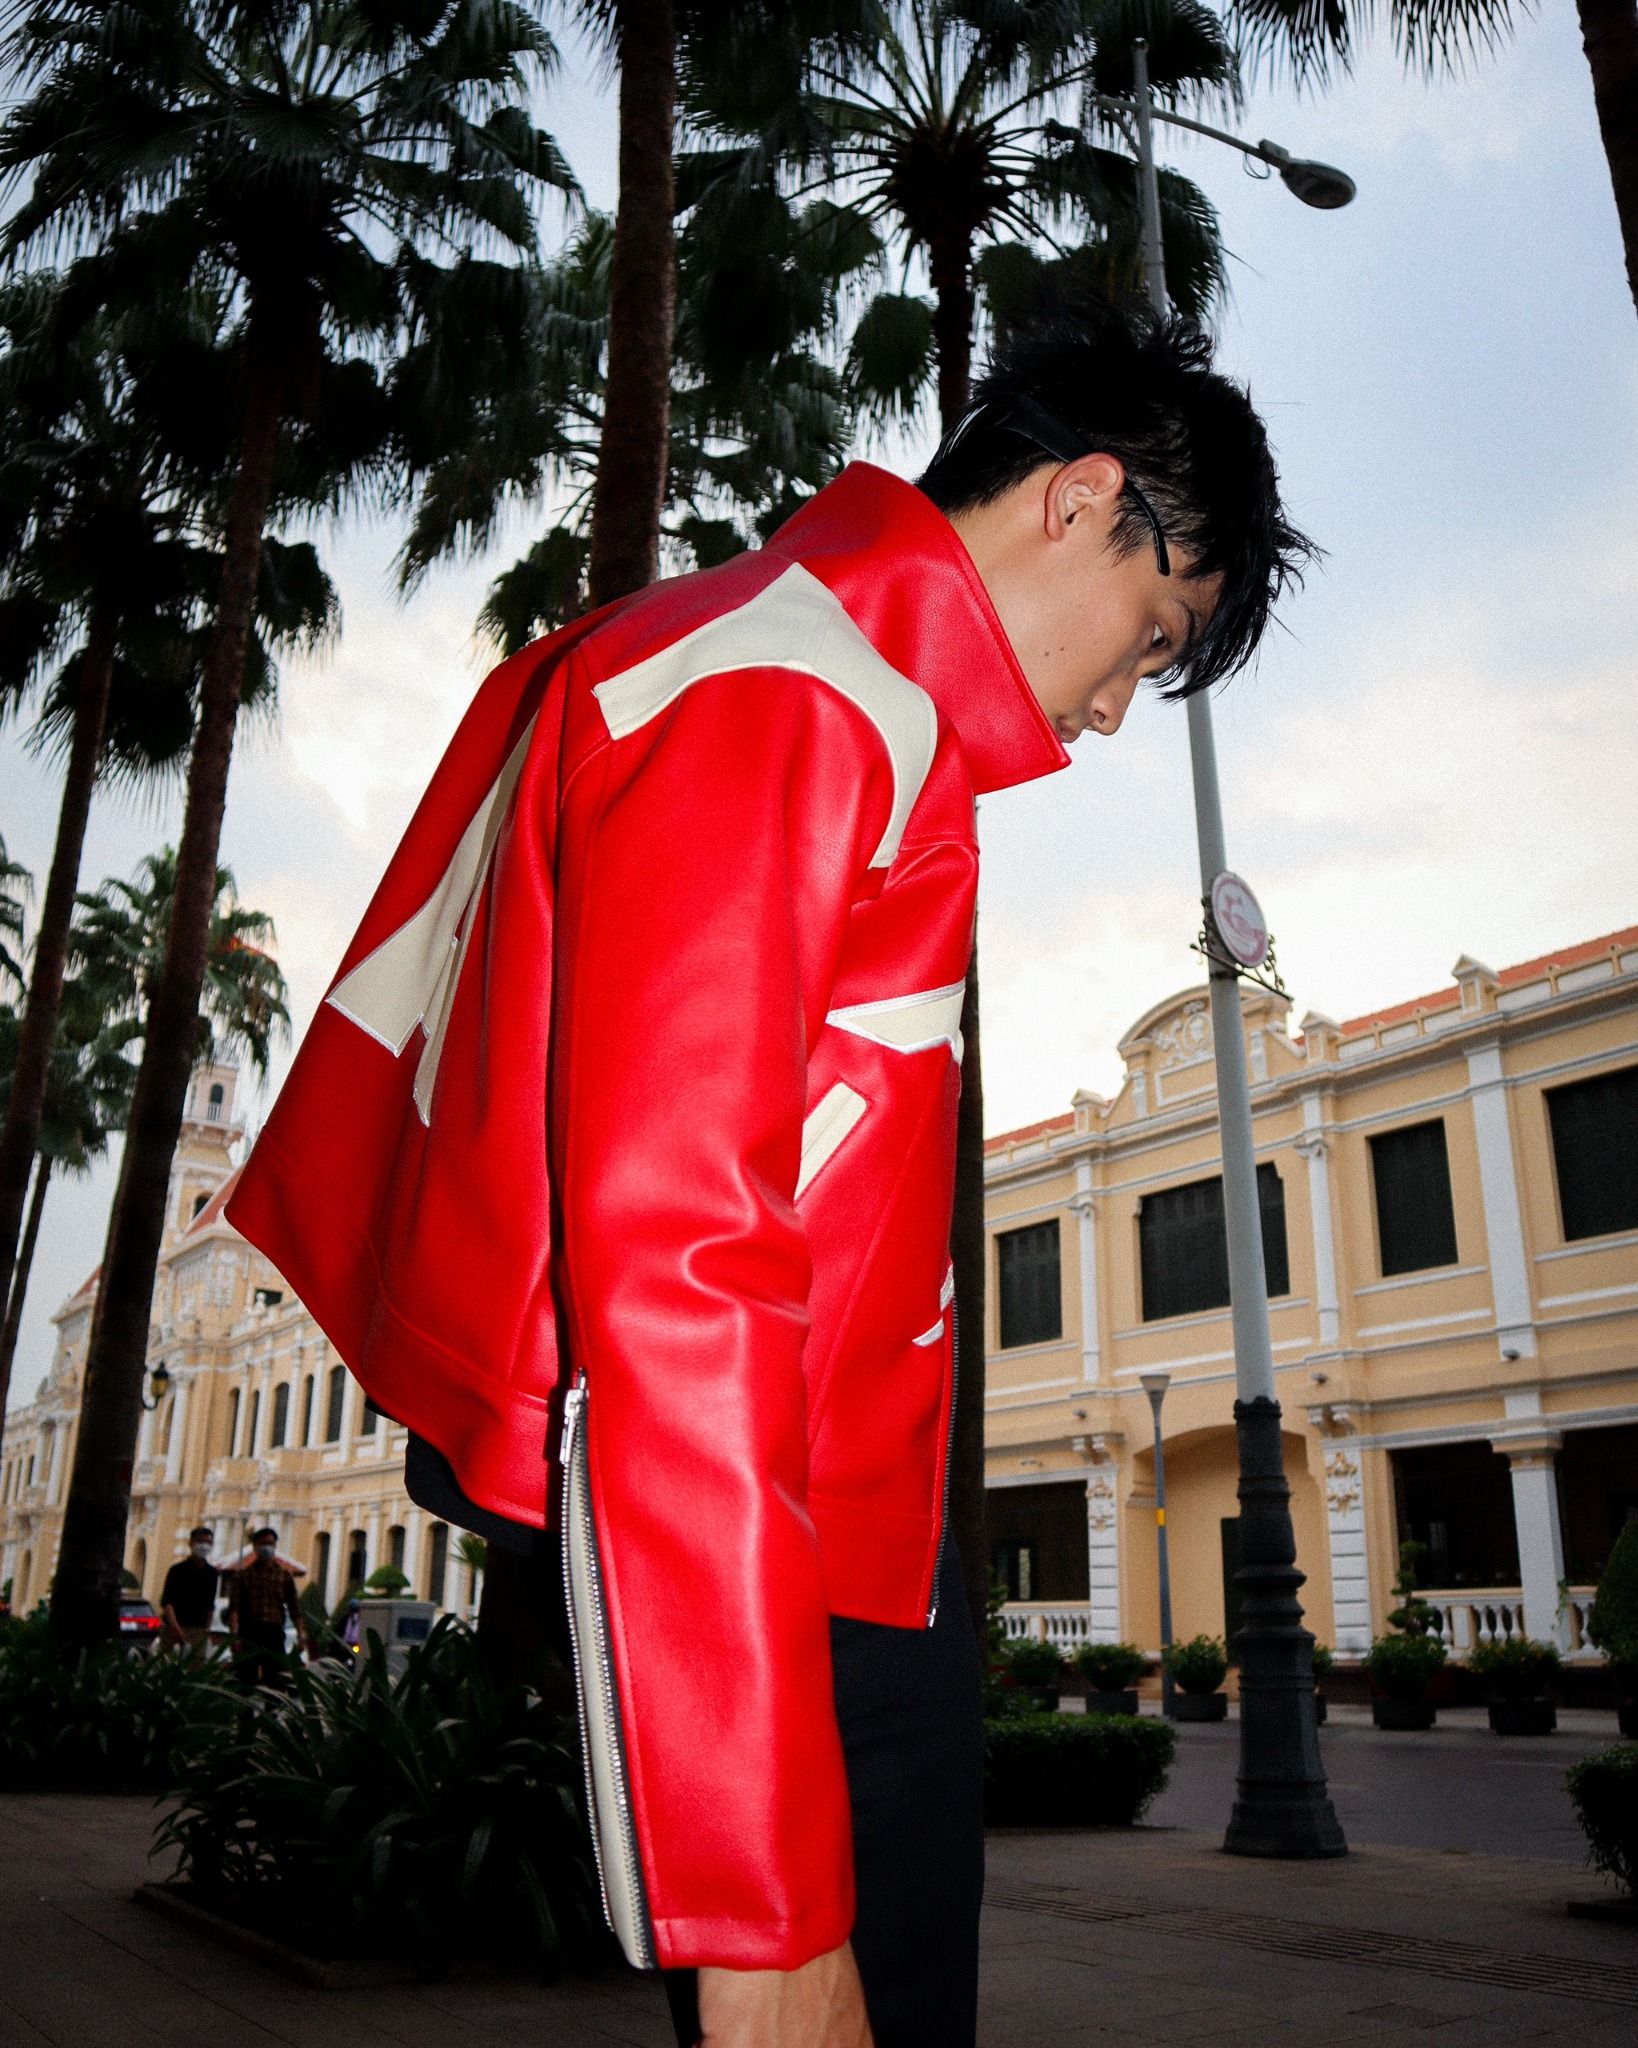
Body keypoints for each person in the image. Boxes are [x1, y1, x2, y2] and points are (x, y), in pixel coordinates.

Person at [225, 304, 1310, 2046]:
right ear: (1083, 498)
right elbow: (682, 1263)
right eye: (1150, 634)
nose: (1115, 706)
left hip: (843, 1550)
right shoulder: (792, 682)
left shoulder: (837, 693)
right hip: (783, 1573)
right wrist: (763, 1905)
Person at [224, 1528, 308, 1691]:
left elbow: (294, 1607)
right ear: (255, 1547)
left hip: (274, 1633)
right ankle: (244, 1714)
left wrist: (301, 1635)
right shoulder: (243, 1576)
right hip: (249, 1632)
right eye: (263, 1544)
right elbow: (234, 1609)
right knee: (245, 1679)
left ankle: (272, 1714)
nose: (267, 1548)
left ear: (275, 1546)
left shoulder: (284, 1576)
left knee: (276, 1679)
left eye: (270, 1544)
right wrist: (234, 1637)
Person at [160, 1526, 220, 1655]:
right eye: (200, 1541)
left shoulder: (212, 1573)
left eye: (208, 1542)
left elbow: (210, 1604)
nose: (204, 1546)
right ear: (191, 1543)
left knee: (195, 1669)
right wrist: (175, 1627)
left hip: (198, 1629)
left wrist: (207, 1630)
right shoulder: (177, 1570)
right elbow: (167, 1602)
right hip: (173, 1627)